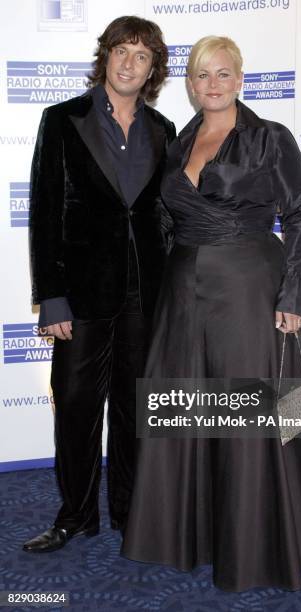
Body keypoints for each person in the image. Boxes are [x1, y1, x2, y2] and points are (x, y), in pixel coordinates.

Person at [120, 36, 301, 591]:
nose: (212, 84)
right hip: (185, 290)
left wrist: (291, 295)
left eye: (223, 73)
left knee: (249, 408)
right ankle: (192, 533)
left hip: (248, 285)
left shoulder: (268, 138)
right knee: (186, 405)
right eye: (202, 74)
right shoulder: (180, 141)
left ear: (240, 78)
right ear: (191, 81)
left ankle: (255, 538)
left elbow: (299, 215)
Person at [23, 16, 175, 553]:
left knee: (137, 411)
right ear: (104, 56)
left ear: (152, 68)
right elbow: (43, 215)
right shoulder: (63, 120)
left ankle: (131, 512)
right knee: (77, 405)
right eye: (121, 51)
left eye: (141, 55)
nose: (129, 63)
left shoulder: (163, 129)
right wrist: (52, 297)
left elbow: (163, 216)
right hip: (82, 296)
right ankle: (75, 516)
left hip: (145, 298)